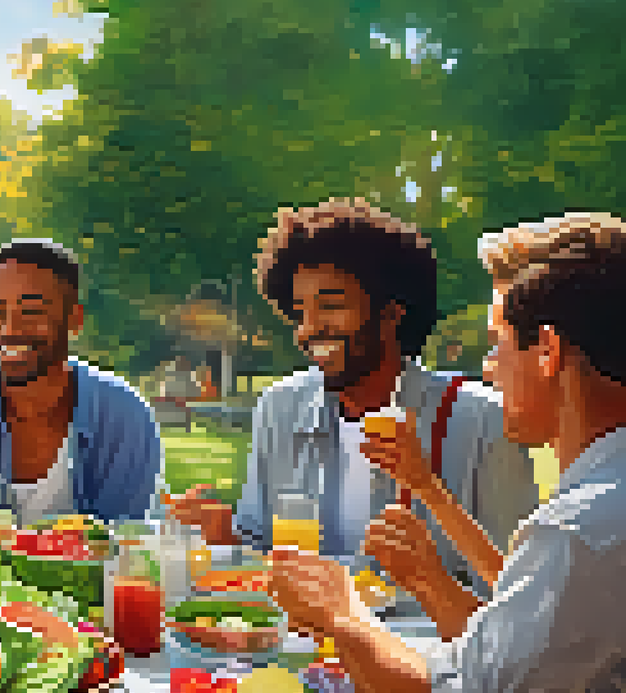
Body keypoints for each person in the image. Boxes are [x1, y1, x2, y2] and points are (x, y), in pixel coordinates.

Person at [269, 212, 626, 693]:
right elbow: (526, 632)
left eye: (497, 344)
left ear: (548, 353)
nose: (488, 369)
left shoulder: (581, 528)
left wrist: (341, 612)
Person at [170, 199, 536, 597]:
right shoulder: (280, 409)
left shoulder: (482, 423)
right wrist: (227, 534)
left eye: (331, 306)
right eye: (299, 311)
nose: (309, 330)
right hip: (301, 651)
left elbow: (517, 597)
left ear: (392, 314)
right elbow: (262, 552)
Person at [0, 238, 163, 525]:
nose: (9, 330)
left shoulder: (125, 418)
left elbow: (128, 548)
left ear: (74, 319)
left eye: (31, 312)